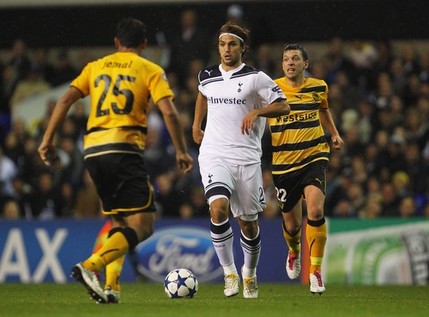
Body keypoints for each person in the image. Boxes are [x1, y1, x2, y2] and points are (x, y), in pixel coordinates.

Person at [38, 17, 193, 304]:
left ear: (116, 43)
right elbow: (170, 112)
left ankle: (111, 288)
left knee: (119, 221)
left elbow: (64, 101)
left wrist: (47, 140)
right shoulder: (149, 69)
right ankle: (90, 266)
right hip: (123, 147)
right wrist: (182, 151)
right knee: (144, 225)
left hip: (93, 150)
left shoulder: (94, 67)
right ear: (144, 45)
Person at [192, 22, 290, 299]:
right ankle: (229, 273)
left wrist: (259, 114)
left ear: (242, 48)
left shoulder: (256, 78)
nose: (226, 49)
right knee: (218, 209)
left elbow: (284, 105)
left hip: (246, 158)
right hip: (214, 154)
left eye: (232, 44)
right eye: (223, 44)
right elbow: (202, 94)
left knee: (248, 224)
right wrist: (196, 125)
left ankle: (249, 273)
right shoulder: (207, 75)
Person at [267, 44, 344, 294]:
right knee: (292, 225)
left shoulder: (319, 86)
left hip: (314, 156)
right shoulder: (270, 88)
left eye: (295, 59)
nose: (290, 63)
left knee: (315, 209)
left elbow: (323, 109)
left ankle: (316, 272)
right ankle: (294, 250)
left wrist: (333, 133)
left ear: (305, 64)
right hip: (283, 163)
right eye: (286, 59)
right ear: (282, 65)